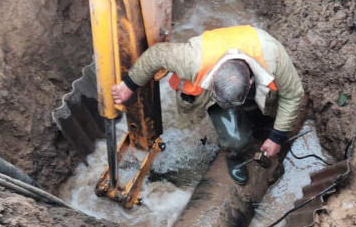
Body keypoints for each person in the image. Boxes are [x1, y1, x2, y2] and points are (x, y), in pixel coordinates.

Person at [112, 25, 304, 185]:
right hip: (218, 72)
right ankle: (233, 155)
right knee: (236, 140)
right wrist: (129, 84)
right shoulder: (191, 59)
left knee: (276, 110)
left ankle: (255, 114)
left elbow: (294, 95)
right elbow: (156, 55)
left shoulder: (273, 57)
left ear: (251, 83)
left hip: (254, 70)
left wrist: (277, 137)